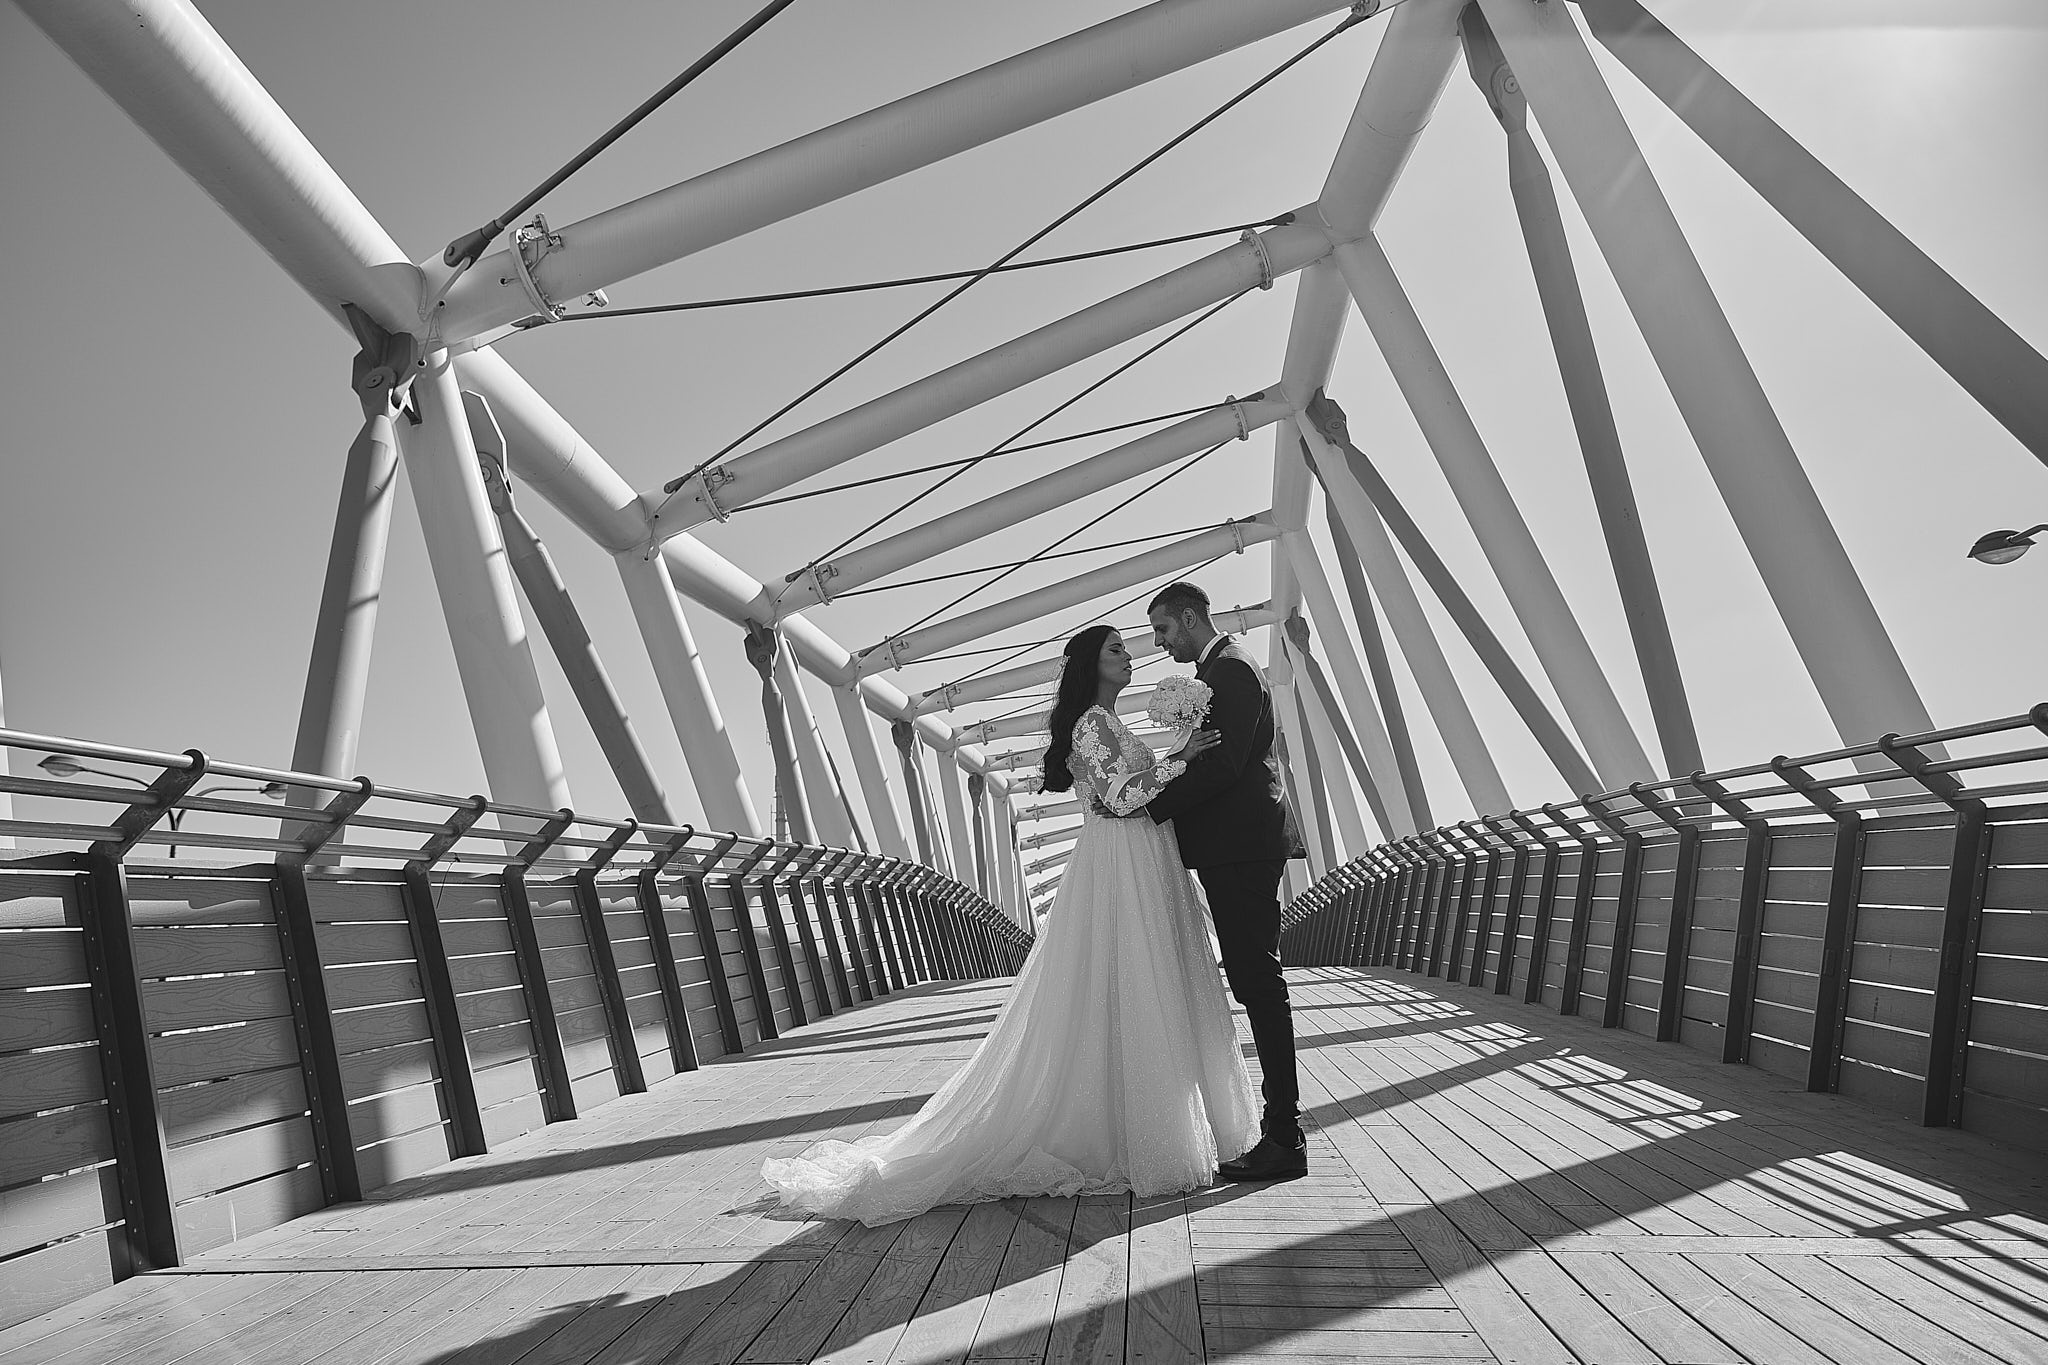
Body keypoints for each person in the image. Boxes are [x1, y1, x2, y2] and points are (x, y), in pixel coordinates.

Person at [759, 624, 1257, 1226]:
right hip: (1122, 861)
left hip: (1141, 859)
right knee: (1132, 979)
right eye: (1116, 650)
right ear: (1091, 665)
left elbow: (1124, 791)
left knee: (1137, 984)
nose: (1130, 656)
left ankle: (1143, 1122)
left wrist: (1175, 754)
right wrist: (1181, 759)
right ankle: (1137, 1133)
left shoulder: (1107, 722)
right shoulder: (1092, 724)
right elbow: (1120, 799)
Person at [1133, 580, 1309, 1182]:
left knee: (1258, 980)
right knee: (1253, 978)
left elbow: (1228, 764)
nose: (1160, 643)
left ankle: (1284, 1137)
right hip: (1236, 846)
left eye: (1163, 629)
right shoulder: (1222, 669)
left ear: (1190, 619)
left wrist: (1150, 807)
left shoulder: (1230, 669)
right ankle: (1280, 1130)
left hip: (1241, 846)